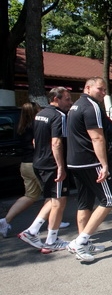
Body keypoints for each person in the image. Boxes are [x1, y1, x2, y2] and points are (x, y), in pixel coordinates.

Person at [66, 77, 112, 262]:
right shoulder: (91, 106)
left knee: (84, 202)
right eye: (100, 89)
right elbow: (97, 138)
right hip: (90, 162)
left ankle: (83, 243)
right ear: (88, 88)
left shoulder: (75, 106)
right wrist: (104, 165)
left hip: (75, 162)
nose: (103, 93)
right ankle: (80, 242)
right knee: (109, 199)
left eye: (105, 90)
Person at [17, 87, 73, 253]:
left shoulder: (40, 114)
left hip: (39, 162)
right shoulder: (59, 116)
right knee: (58, 202)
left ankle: (34, 231)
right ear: (56, 99)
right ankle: (50, 240)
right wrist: (61, 167)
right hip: (52, 165)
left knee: (53, 199)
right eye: (67, 99)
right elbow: (56, 143)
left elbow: (35, 141)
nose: (70, 103)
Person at [0, 103, 43, 238]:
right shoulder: (36, 126)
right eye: (38, 109)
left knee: (29, 196)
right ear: (34, 111)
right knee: (53, 197)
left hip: (25, 164)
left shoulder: (21, 127)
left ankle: (5, 221)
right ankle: (51, 223)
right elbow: (36, 144)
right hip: (36, 164)